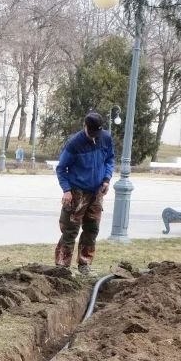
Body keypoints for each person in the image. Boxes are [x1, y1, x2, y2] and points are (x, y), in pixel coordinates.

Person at [55, 111, 114, 274]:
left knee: (92, 229)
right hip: (77, 192)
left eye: (97, 132)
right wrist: (67, 190)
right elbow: (61, 168)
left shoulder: (105, 138)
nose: (94, 135)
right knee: (70, 229)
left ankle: (84, 264)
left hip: (97, 192)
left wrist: (107, 179)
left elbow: (110, 159)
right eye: (91, 131)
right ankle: (62, 266)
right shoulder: (75, 143)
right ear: (85, 126)